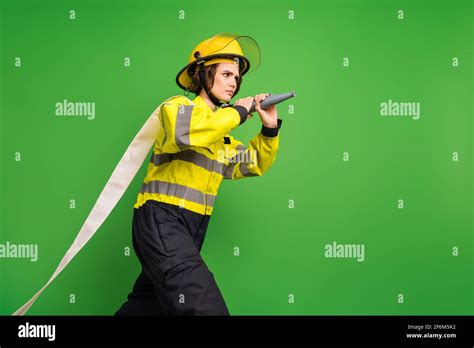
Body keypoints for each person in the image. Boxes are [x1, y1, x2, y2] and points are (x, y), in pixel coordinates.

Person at [115, 33, 282, 315]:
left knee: (145, 308)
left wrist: (269, 129)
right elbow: (191, 132)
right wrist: (239, 112)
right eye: (227, 73)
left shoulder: (221, 139)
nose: (234, 83)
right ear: (204, 75)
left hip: (190, 230)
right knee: (205, 309)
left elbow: (252, 163)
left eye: (237, 77)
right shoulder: (177, 109)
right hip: (162, 220)